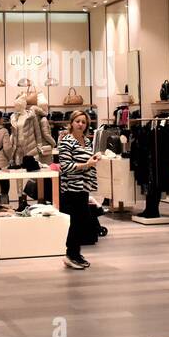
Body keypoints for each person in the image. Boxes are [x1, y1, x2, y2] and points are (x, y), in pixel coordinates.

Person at [57, 110, 99, 269]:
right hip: (71, 187)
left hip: (84, 185)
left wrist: (94, 159)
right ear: (71, 123)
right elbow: (66, 167)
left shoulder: (86, 141)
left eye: (83, 121)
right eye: (78, 121)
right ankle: (70, 254)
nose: (81, 124)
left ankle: (75, 253)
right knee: (77, 220)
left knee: (82, 220)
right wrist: (87, 164)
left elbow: (86, 159)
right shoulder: (66, 141)